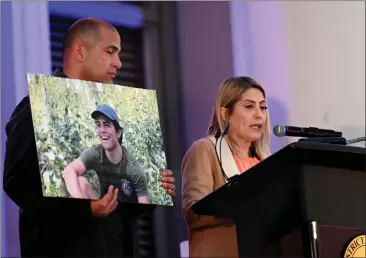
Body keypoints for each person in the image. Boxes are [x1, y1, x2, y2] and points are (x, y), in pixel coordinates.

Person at [3, 18, 175, 257]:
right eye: (110, 51)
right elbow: (18, 182)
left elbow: (122, 204)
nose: (119, 62)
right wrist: (85, 210)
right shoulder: (38, 104)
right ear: (81, 51)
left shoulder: (118, 117)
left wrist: (153, 189)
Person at [181, 76, 271, 257]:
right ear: (225, 113)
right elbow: (193, 212)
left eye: (262, 107)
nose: (259, 115)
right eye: (249, 106)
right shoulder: (205, 150)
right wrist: (242, 205)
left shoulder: (266, 160)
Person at [64, 104, 150, 204]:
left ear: (118, 132)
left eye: (106, 124)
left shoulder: (134, 169)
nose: (102, 130)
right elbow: (69, 170)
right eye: (98, 125)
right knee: (80, 182)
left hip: (125, 217)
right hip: (103, 210)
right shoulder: (95, 153)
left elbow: (145, 209)